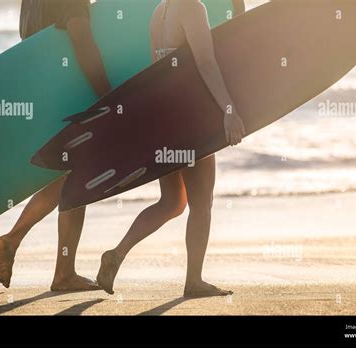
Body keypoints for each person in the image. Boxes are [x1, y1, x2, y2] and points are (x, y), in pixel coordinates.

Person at [97, 0, 245, 298]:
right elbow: (206, 62)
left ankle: (116, 254)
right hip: (190, 120)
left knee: (172, 202)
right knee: (201, 205)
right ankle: (194, 281)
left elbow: (158, 71)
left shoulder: (160, 12)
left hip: (166, 118)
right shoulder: (192, 7)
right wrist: (229, 109)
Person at [0, 0, 111, 291]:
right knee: (78, 173)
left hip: (38, 91)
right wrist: (108, 95)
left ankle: (58, 268)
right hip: (66, 92)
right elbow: (81, 39)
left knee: (69, 174)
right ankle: (42, 258)